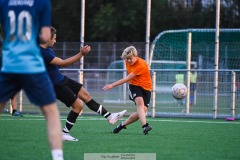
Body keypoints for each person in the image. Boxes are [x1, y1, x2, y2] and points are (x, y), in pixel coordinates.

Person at [0, 1, 64, 160]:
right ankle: (57, 157)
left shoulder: (4, 3)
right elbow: (45, 37)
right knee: (51, 113)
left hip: (10, 63)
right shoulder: (42, 3)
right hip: (31, 65)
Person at [39, 27, 127, 141]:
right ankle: (64, 133)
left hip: (61, 79)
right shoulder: (42, 52)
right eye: (54, 39)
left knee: (85, 94)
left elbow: (57, 64)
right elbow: (64, 63)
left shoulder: (48, 50)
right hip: (55, 85)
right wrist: (81, 54)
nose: (55, 41)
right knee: (78, 105)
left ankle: (110, 116)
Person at [103, 46, 152, 135]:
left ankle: (121, 125)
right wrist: (113, 85)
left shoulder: (141, 64)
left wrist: (112, 85)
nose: (128, 61)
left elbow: (126, 78)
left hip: (146, 88)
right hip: (134, 86)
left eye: (130, 58)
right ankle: (145, 126)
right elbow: (129, 80)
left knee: (141, 112)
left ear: (135, 55)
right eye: (127, 59)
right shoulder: (127, 61)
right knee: (140, 104)